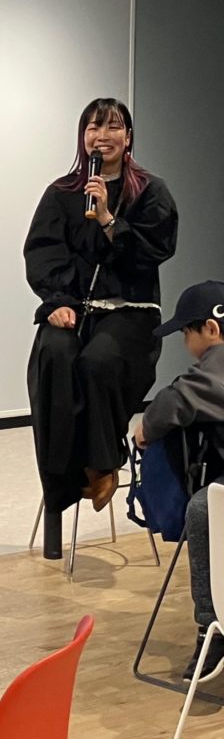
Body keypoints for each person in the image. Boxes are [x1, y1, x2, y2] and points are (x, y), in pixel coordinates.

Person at [24, 97, 177, 517]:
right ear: (83, 136)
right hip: (74, 307)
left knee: (99, 362)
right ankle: (61, 479)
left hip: (131, 311)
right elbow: (42, 252)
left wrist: (109, 219)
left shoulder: (150, 192)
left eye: (112, 127)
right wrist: (56, 302)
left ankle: (104, 460)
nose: (102, 135)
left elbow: (153, 251)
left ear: (128, 137)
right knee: (53, 354)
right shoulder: (61, 193)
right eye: (94, 127)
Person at [136, 280, 224, 683]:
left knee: (204, 508)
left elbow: (175, 402)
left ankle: (212, 626)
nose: (186, 343)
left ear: (211, 328)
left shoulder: (218, 362)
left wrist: (144, 429)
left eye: (186, 333)